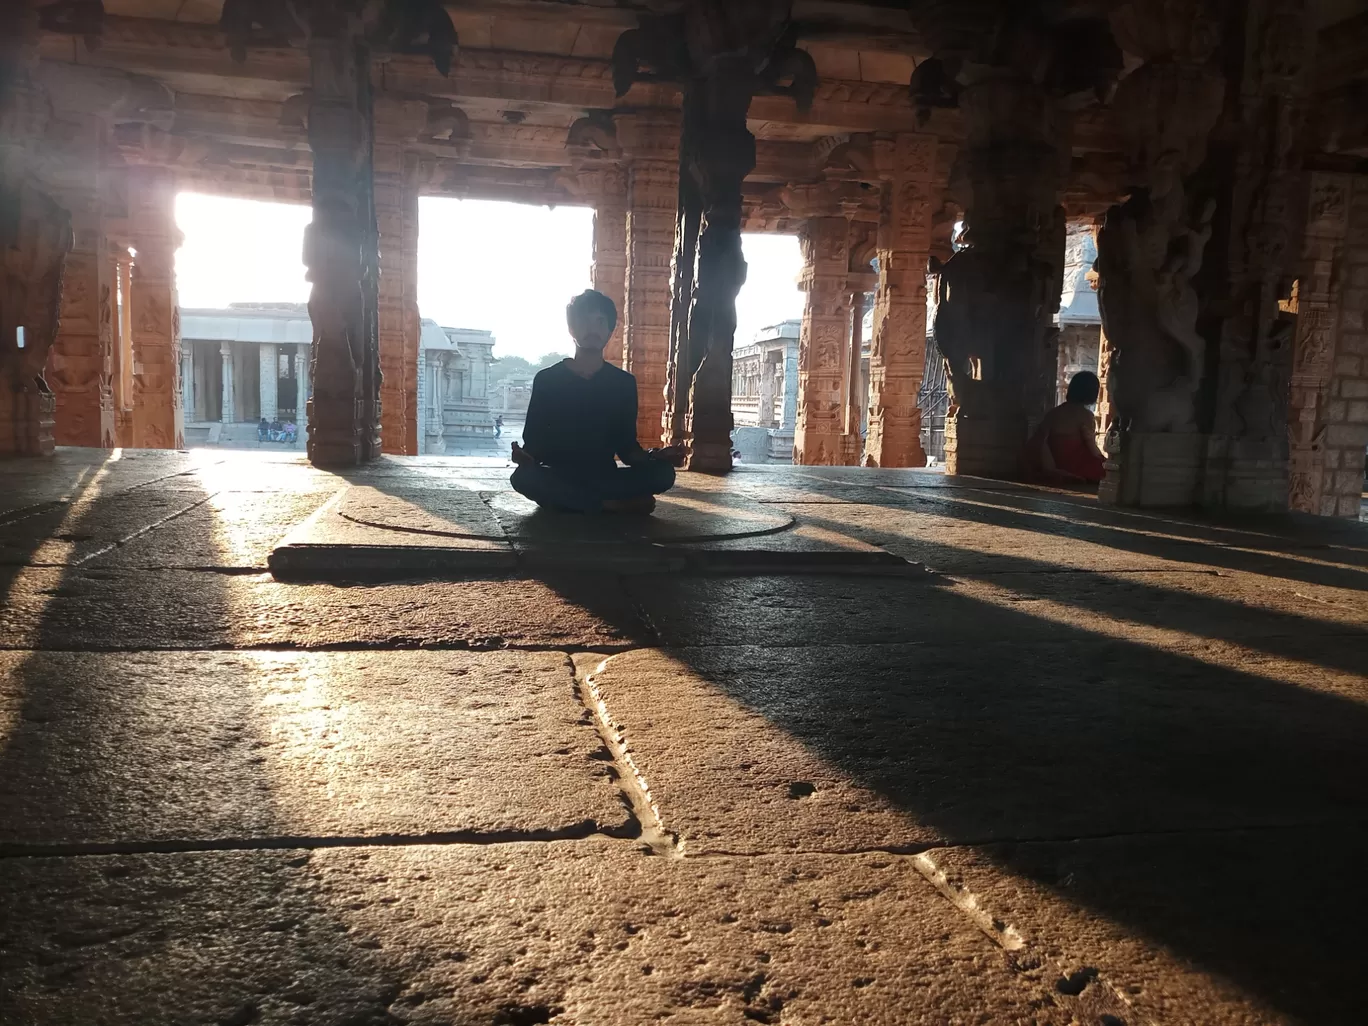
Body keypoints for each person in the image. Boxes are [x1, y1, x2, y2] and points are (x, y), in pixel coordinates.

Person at [510, 289, 685, 514]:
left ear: (610, 330)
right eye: (583, 321)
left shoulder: (623, 383)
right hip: (561, 475)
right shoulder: (547, 379)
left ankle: (580, 504)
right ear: (571, 328)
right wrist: (526, 457)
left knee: (663, 473)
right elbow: (535, 444)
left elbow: (627, 448)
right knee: (523, 478)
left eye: (600, 321)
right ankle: (609, 505)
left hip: (605, 476)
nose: (592, 329)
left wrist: (657, 457)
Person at [1025, 370, 1107, 485]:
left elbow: (1041, 441)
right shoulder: (1086, 416)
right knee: (1104, 466)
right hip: (1074, 464)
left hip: (1054, 461)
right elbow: (1092, 450)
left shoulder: (1053, 413)